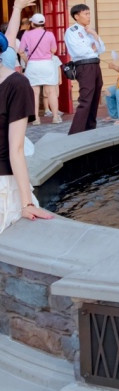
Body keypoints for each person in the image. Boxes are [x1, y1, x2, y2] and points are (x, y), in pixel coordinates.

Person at [0, 16, 53, 233]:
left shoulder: (16, 84)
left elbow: (16, 149)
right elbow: (16, 149)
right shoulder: (16, 84)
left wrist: (26, 204)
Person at [65, 4, 106, 135]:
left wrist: (94, 34)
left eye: (89, 13)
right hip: (84, 65)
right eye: (86, 14)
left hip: (95, 64)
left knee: (95, 97)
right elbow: (79, 51)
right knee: (86, 98)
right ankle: (76, 132)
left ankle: (90, 128)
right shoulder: (72, 31)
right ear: (77, 16)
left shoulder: (89, 30)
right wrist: (93, 49)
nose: (89, 16)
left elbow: (101, 48)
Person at [19, 13, 61, 125]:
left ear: (32, 24)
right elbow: (54, 50)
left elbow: (21, 51)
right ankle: (55, 117)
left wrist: (27, 61)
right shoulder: (49, 34)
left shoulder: (26, 34)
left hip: (33, 65)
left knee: (34, 93)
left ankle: (36, 119)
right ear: (43, 23)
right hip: (47, 64)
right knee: (51, 92)